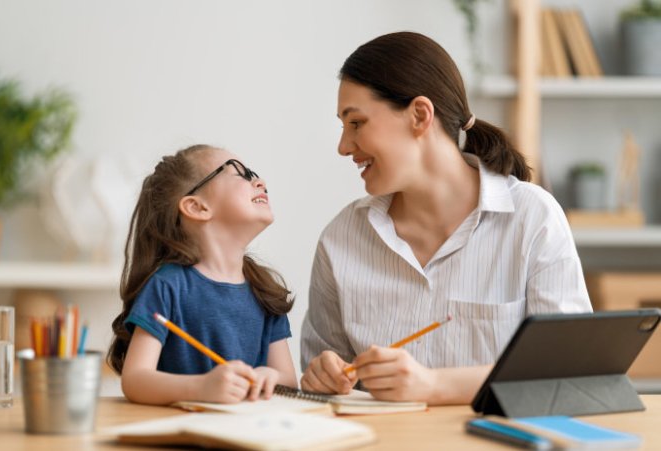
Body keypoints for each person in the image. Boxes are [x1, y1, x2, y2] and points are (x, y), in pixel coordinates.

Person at [300, 32, 592, 405]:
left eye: (356, 123)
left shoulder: (533, 219)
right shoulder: (341, 238)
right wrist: (321, 377)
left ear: (420, 115)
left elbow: (571, 372)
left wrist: (435, 386)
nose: (343, 146)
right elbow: (319, 385)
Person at [107, 144, 297, 405]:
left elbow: (288, 380)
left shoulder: (265, 289)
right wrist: (201, 388)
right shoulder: (167, 286)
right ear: (197, 207)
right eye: (241, 173)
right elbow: (135, 379)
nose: (259, 180)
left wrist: (269, 377)